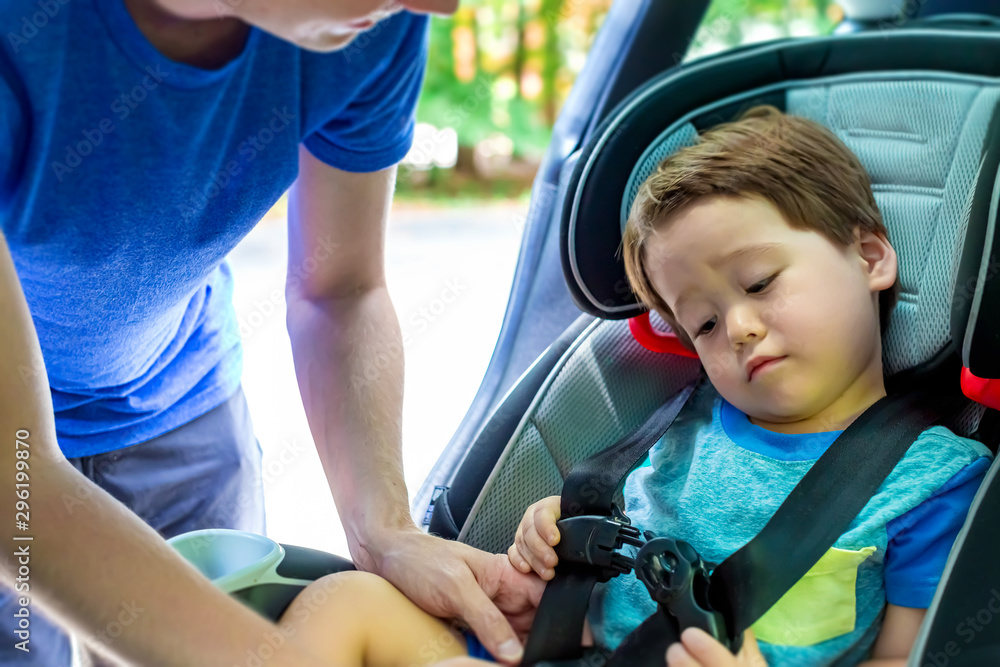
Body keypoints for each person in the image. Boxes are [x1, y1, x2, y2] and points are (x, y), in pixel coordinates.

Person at [0, 0, 531, 664]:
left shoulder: (385, 18)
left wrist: (384, 529)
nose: (443, 5)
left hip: (180, 404)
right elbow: (16, 479)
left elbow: (338, 289)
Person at [506, 106, 993, 666]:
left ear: (869, 256)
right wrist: (558, 539)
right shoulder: (681, 427)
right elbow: (628, 547)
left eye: (760, 283)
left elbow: (908, 658)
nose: (738, 329)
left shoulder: (929, 480)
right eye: (705, 325)